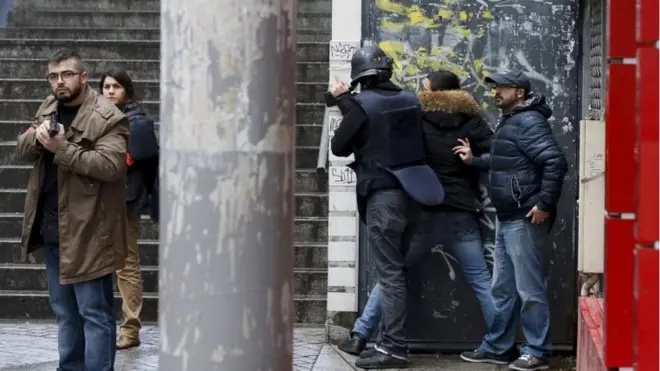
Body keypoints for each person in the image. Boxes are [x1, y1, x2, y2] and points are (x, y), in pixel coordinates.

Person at [338, 68, 500, 357]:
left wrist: (344, 101)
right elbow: (499, 156)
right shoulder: (472, 121)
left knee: (392, 275)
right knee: (480, 279)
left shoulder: (416, 118)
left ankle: (361, 335)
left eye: (424, 86)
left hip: (424, 209)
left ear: (431, 92)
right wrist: (474, 160)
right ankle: (500, 344)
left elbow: (376, 132)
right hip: (462, 210)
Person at [328, 45, 444, 369]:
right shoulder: (411, 100)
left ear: (360, 77)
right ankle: (379, 340)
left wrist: (344, 100)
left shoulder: (361, 104)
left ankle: (393, 348)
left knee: (390, 275)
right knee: (396, 272)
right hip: (416, 195)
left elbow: (339, 147)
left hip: (384, 197)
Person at [15, 48, 129, 371]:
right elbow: (21, 147)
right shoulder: (49, 106)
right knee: (65, 312)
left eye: (66, 75)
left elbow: (111, 166)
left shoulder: (109, 116)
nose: (59, 82)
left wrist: (62, 148)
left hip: (91, 232)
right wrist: (37, 139)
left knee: (94, 313)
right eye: (53, 76)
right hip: (53, 227)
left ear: (83, 77)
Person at [454, 70, 568, 371]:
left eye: (502, 88)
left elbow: (555, 161)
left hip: (524, 218)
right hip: (508, 219)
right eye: (495, 88)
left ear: (519, 91)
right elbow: (506, 160)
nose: (495, 92)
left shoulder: (529, 121)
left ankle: (537, 350)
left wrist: (544, 203)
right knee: (502, 289)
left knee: (529, 290)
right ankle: (499, 347)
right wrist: (473, 160)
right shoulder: (512, 120)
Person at [100, 68, 159, 350]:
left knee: (126, 266)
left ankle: (130, 329)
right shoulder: (96, 119)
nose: (110, 91)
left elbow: (126, 162)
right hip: (95, 201)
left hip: (125, 203)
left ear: (127, 90)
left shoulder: (137, 124)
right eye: (107, 87)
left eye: (116, 87)